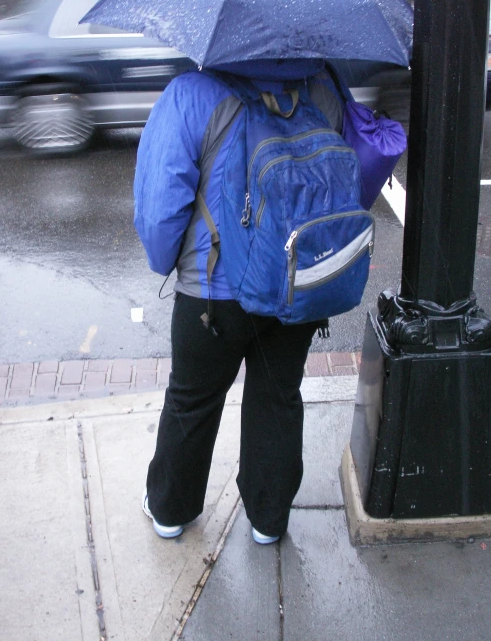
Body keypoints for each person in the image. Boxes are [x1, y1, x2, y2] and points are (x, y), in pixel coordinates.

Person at [135, 62, 344, 544]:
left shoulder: (191, 94)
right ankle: (269, 521)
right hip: (295, 285)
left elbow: (160, 207)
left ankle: (170, 510)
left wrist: (169, 263)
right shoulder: (322, 89)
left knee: (192, 399)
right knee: (278, 397)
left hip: (214, 294)